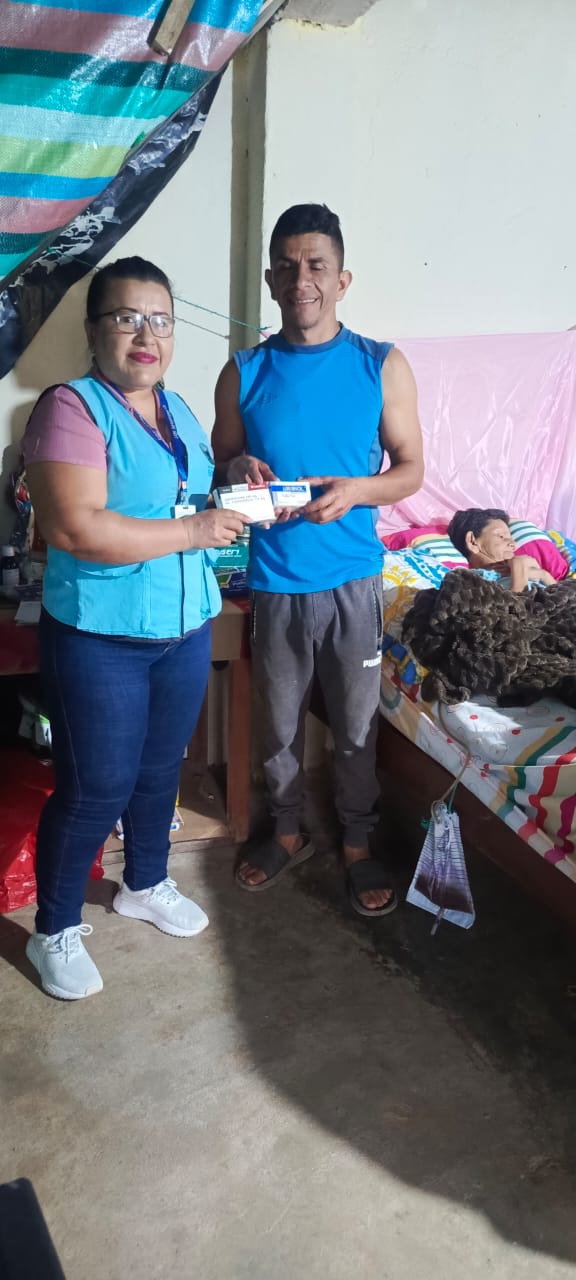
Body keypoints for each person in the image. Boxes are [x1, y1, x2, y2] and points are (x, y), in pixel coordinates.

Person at [22, 256, 248, 1000]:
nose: (146, 335)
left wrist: (234, 480)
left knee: (158, 772)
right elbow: (74, 527)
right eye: (127, 318)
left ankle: (144, 883)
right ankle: (54, 928)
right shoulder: (71, 408)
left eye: (161, 320)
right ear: (94, 331)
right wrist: (194, 531)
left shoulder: (177, 409)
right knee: (95, 787)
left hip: (182, 629)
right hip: (101, 640)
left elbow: (181, 497)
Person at [212, 203, 424, 918]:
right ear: (271, 280)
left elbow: (411, 470)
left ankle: (358, 843)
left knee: (357, 725)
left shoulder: (380, 365)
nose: (301, 279)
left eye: (316, 265)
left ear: (342, 279)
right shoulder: (244, 371)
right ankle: (288, 830)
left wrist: (359, 489)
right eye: (287, 266)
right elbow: (222, 465)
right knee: (277, 725)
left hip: (354, 583)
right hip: (275, 580)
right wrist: (238, 468)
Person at [447, 508, 563, 592]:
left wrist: (544, 575)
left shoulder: (525, 570)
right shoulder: (469, 581)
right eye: (501, 536)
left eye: (511, 539)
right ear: (472, 541)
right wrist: (519, 568)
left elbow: (565, 603)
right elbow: (515, 613)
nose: (513, 544)